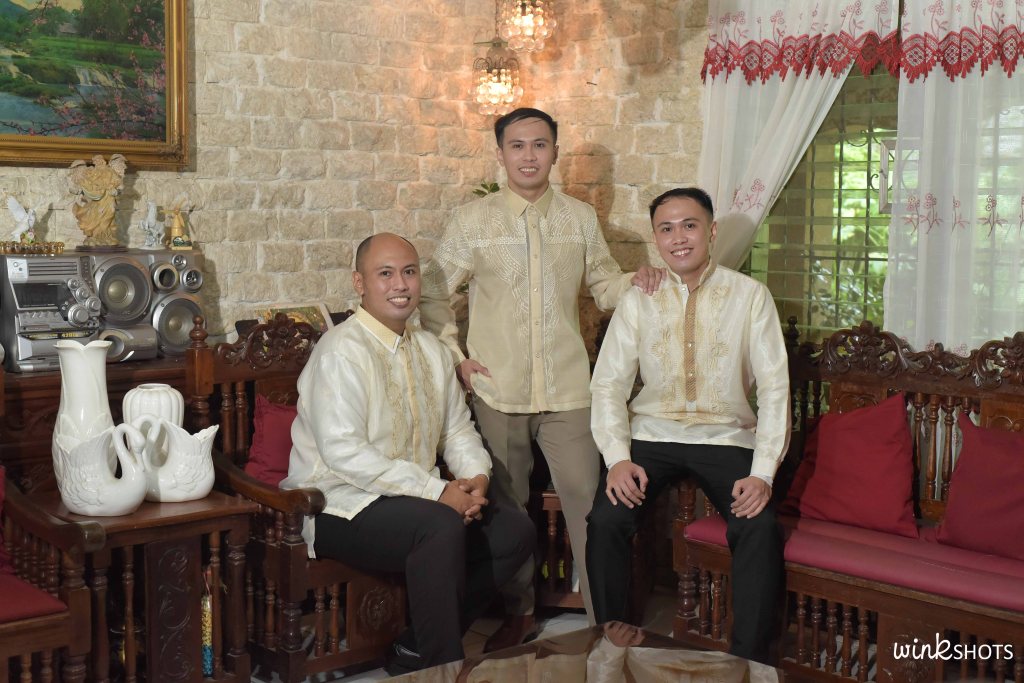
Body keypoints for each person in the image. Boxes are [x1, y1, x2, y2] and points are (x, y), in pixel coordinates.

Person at [420, 107, 662, 650]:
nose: (529, 156)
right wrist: (455, 355)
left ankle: (605, 618)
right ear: (500, 153)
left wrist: (637, 280)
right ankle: (518, 612)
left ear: (555, 151)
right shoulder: (471, 221)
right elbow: (434, 292)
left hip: (569, 390)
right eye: (517, 145)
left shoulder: (579, 218)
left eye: (539, 145)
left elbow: (603, 284)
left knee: (589, 503)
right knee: (509, 509)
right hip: (496, 389)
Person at [281, 233, 535, 674]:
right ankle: (442, 667)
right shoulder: (341, 351)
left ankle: (416, 649)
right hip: (334, 503)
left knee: (515, 530)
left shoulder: (432, 351)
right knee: (438, 526)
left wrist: (476, 479)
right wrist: (438, 493)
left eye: (409, 272)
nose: (400, 284)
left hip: (414, 502)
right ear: (359, 283)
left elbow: (457, 430)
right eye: (385, 273)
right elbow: (344, 453)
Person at [585, 187, 789, 663]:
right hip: (652, 434)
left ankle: (749, 663)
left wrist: (763, 473)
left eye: (689, 225)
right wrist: (617, 460)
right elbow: (608, 384)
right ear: (656, 238)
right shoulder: (640, 298)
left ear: (711, 231)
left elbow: (775, 388)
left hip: (726, 436)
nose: (678, 238)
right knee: (607, 519)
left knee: (759, 527)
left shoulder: (750, 296)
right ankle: (611, 644)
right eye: (666, 228)